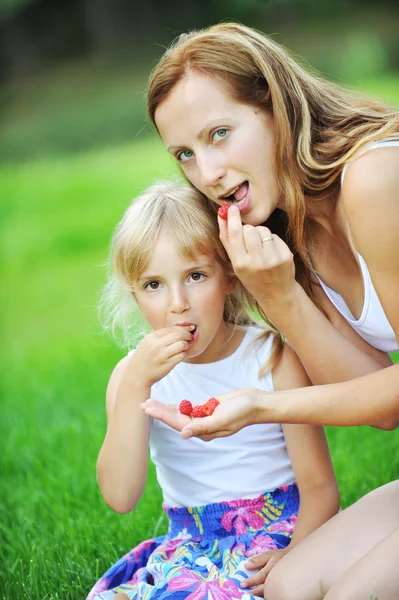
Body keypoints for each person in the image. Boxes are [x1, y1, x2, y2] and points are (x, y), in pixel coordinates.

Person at [141, 21, 399, 600]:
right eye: (185, 153)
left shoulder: (375, 179)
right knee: (286, 586)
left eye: (220, 134)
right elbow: (382, 405)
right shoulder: (286, 229)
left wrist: (262, 406)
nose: (207, 175)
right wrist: (281, 296)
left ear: (276, 109)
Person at [87, 180, 339, 600]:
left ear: (228, 277)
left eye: (195, 276)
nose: (177, 303)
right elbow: (120, 496)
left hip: (283, 534)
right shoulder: (133, 377)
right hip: (193, 547)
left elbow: (319, 487)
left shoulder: (271, 357)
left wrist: (297, 552)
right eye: (154, 285)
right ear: (134, 295)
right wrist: (135, 385)